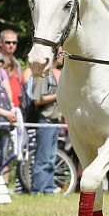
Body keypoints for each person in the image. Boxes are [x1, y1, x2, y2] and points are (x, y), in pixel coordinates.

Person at [31, 51, 62, 194]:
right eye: (61, 53)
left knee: (51, 158)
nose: (63, 56)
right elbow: (38, 99)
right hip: (45, 121)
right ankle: (38, 190)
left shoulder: (54, 74)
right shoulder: (43, 74)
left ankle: (48, 189)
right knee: (43, 158)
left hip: (54, 121)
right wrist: (59, 95)